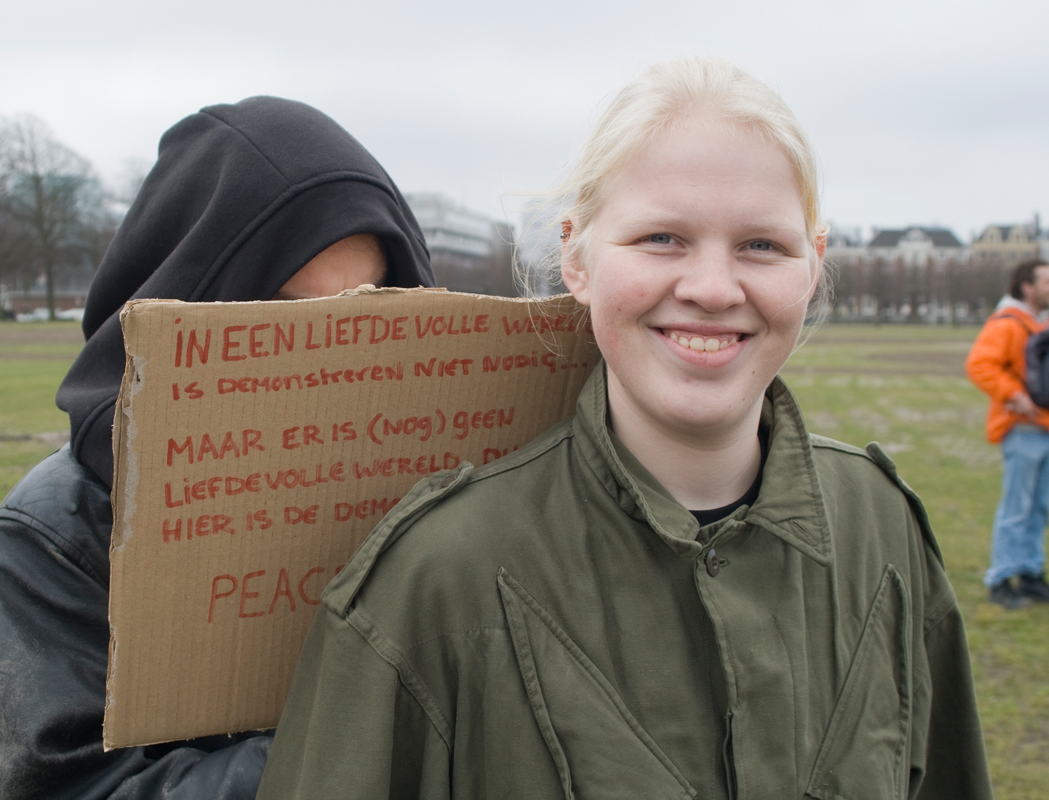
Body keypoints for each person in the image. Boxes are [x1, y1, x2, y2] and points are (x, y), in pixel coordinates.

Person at [257, 58, 992, 799]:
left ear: (812, 265)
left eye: (762, 245)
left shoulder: (883, 527)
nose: (712, 289)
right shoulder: (435, 579)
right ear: (576, 258)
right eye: (661, 238)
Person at [0, 96, 434, 800]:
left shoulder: (431, 486)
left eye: (368, 311)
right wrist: (369, 742)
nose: (331, 359)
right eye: (283, 314)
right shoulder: (65, 528)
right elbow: (71, 787)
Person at [965, 259, 1049, 609]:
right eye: (1046, 281)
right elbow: (979, 364)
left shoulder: (1040, 323)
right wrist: (1015, 395)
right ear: (1027, 287)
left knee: (1040, 508)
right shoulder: (1008, 322)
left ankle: (1030, 573)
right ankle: (1001, 578)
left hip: (1044, 428)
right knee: (1017, 507)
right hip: (1023, 429)